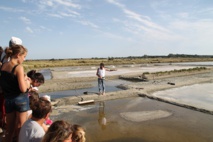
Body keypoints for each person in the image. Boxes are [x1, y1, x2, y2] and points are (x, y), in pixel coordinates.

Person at [0, 37, 31, 142]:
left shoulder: (3, 65)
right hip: (20, 100)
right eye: (24, 56)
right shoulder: (18, 67)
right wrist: (28, 82)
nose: (24, 59)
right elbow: (22, 89)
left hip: (8, 100)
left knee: (9, 129)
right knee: (21, 128)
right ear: (18, 55)